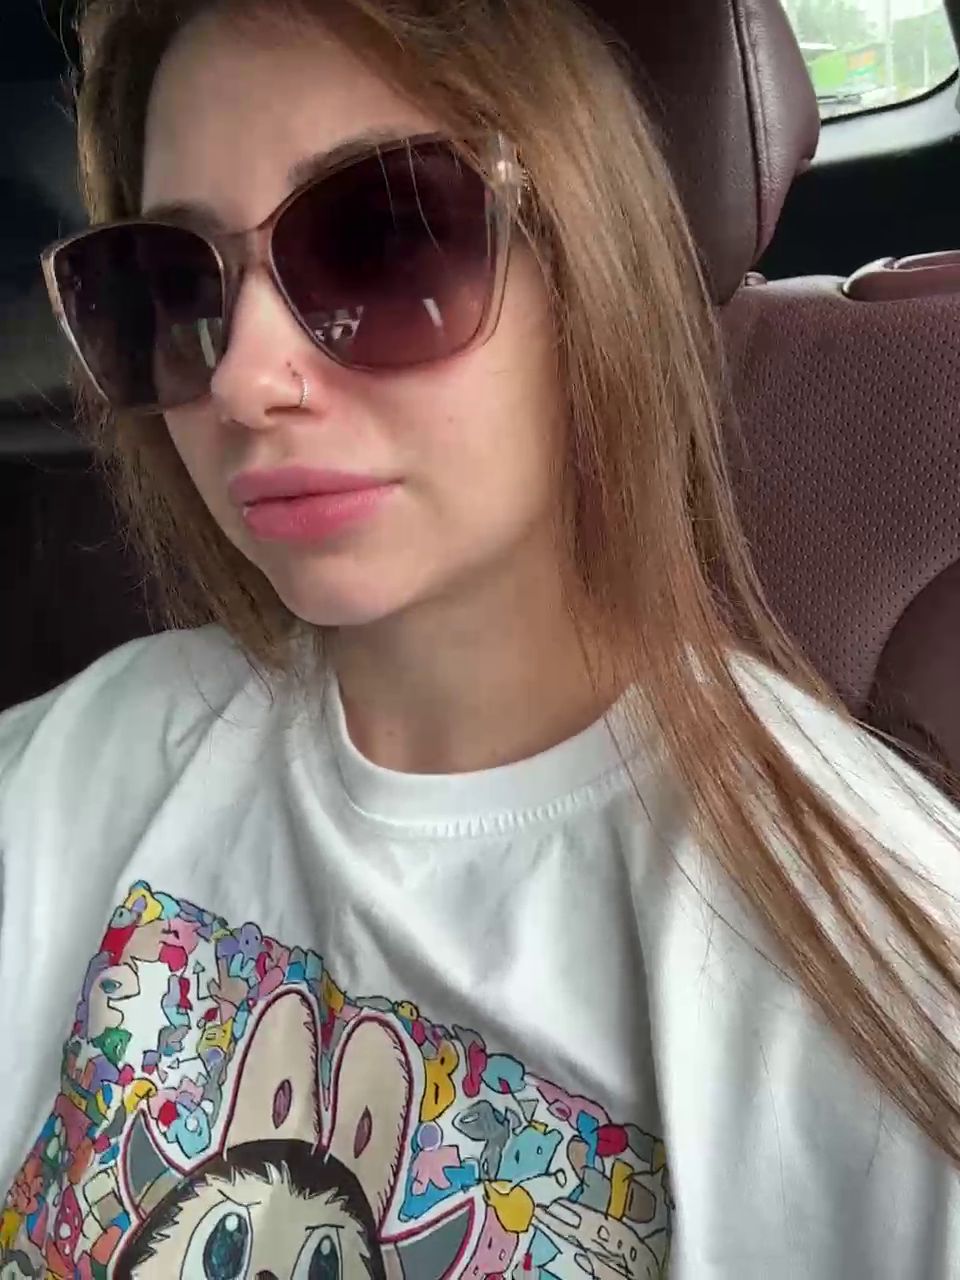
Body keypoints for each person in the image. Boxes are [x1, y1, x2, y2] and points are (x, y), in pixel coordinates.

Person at [1, 0, 959, 1275]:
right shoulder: (86, 758)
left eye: (383, 238)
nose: (243, 378)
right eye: (170, 284)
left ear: (594, 268)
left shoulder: (876, 956)